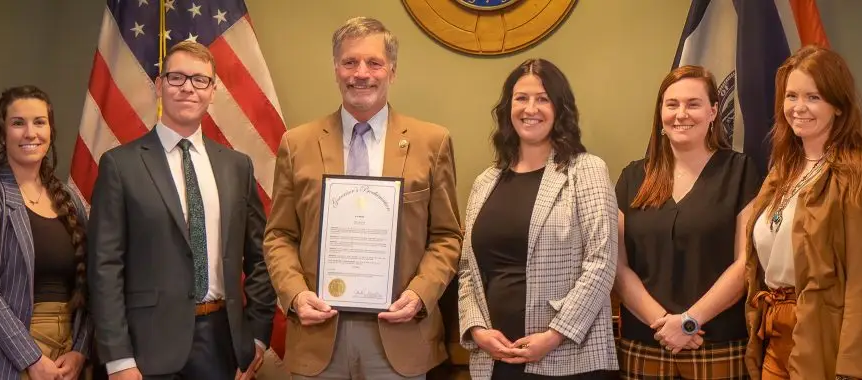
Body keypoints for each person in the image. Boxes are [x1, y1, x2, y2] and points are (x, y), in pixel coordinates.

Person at [263, 16, 463, 379]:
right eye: (350, 62)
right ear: (336, 69)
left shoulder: (431, 142)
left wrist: (420, 294)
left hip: (403, 338)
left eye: (374, 62)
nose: (361, 73)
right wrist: (294, 294)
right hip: (318, 336)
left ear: (392, 71)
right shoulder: (297, 144)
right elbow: (279, 235)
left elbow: (447, 236)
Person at [87, 40, 276, 379]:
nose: (188, 87)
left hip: (222, 345)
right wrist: (118, 359)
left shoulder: (237, 167)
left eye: (200, 80)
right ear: (159, 86)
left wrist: (258, 337)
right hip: (145, 350)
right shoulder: (120, 165)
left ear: (213, 90)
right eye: (176, 78)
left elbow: (260, 257)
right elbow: (104, 267)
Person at [743, 46, 862, 380]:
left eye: (813, 97)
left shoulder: (860, 171)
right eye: (791, 96)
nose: (799, 108)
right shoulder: (782, 169)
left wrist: (851, 368)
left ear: (838, 106)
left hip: (826, 337)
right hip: (774, 334)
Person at [457, 58, 618, 379]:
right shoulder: (485, 182)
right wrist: (476, 329)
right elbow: (466, 272)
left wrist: (554, 335)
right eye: (521, 98)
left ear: (560, 109)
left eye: (542, 99)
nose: (531, 108)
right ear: (508, 108)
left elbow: (601, 263)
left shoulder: (586, 170)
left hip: (569, 357)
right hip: (495, 360)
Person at [612, 65, 760, 379]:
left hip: (716, 344)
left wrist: (690, 321)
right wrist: (665, 323)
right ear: (660, 113)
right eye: (672, 104)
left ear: (713, 112)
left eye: (693, 104)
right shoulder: (632, 177)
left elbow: (745, 262)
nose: (682, 114)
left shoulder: (740, 172)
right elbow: (618, 266)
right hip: (647, 344)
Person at [0, 85, 91, 380]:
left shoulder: (70, 199)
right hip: (0, 356)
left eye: (39, 122)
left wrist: (80, 351)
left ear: (50, 132)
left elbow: (90, 284)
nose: (30, 133)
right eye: (18, 123)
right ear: (2, 134)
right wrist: (31, 358)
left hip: (64, 357)